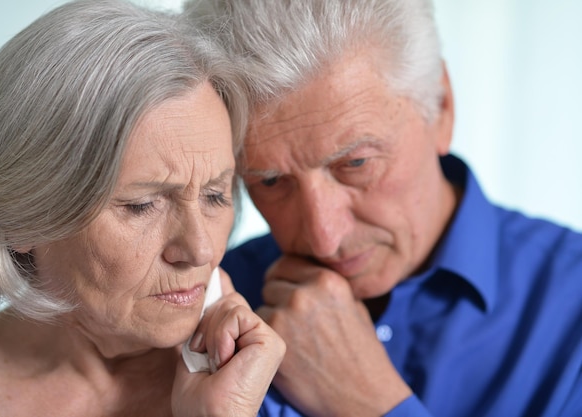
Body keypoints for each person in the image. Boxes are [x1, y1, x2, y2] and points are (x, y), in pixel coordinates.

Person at [183, 0, 582, 416]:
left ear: (442, 107)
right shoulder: (205, 304)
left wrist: (368, 403)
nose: (324, 237)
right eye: (270, 181)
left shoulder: (572, 310)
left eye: (356, 164)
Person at [0, 1, 286, 416]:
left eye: (215, 196)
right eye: (142, 205)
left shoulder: (269, 378)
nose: (201, 250)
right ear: (20, 218)